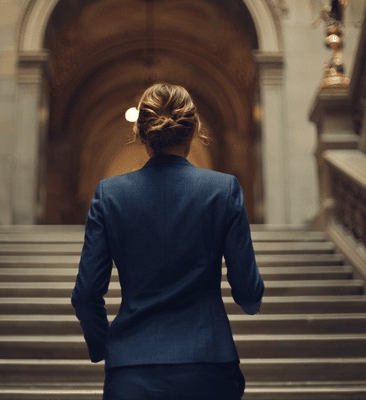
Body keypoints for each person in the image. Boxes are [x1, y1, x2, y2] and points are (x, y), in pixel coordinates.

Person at [71, 83, 264, 400]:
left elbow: (85, 295)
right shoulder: (223, 190)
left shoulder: (110, 195)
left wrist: (108, 347)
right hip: (207, 363)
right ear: (195, 129)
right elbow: (246, 291)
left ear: (141, 134)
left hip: (131, 368)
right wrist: (252, 302)